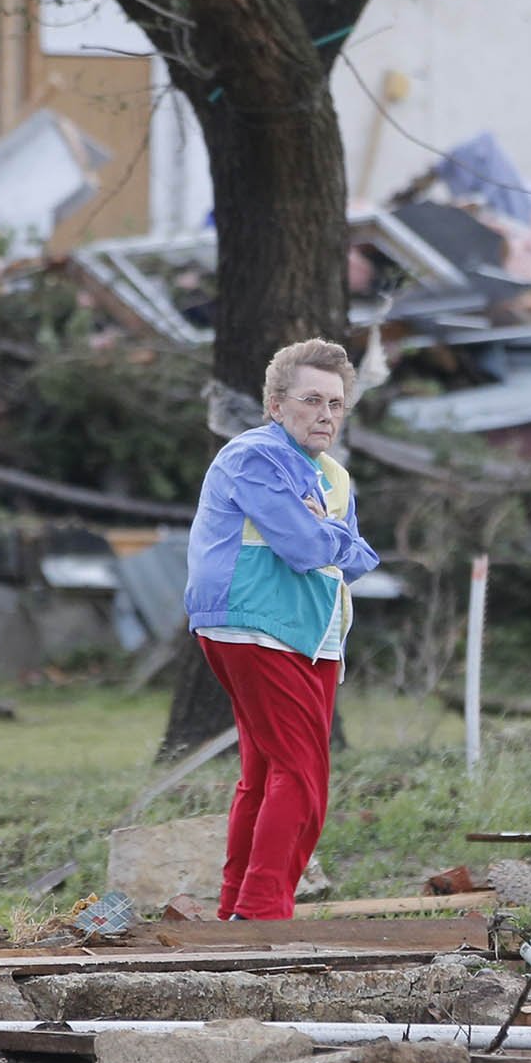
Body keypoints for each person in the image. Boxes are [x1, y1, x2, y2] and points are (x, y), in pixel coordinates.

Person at [182, 339, 379, 920]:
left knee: (266, 771)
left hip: (312, 635)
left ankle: (236, 906)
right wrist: (330, 539)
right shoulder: (255, 457)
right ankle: (264, 910)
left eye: (336, 404)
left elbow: (362, 558)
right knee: (303, 773)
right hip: (253, 625)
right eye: (311, 399)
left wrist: (331, 537)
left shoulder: (332, 474)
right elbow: (301, 547)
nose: (325, 414)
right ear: (275, 405)